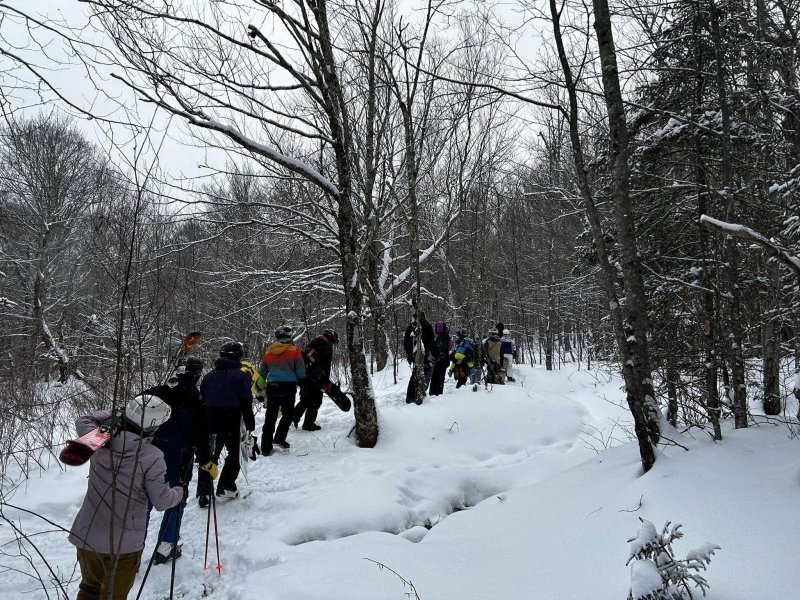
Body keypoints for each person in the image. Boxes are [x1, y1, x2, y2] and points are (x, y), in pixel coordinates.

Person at [68, 395, 185, 600]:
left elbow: (84, 418)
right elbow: (162, 501)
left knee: (89, 590)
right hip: (124, 545)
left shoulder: (96, 440)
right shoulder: (151, 456)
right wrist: (180, 491)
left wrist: (117, 414)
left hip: (87, 536)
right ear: (151, 427)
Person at [143, 356, 212, 564]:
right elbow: (201, 437)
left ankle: (134, 549)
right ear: (196, 374)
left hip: (147, 457)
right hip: (178, 460)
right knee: (176, 499)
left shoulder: (155, 392)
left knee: (142, 501)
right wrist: (206, 460)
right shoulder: (196, 400)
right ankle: (166, 546)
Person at [197, 341, 255, 501]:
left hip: (210, 418)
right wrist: (250, 424)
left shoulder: (209, 376)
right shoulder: (241, 375)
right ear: (238, 356)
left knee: (210, 454)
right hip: (232, 418)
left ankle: (204, 492)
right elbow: (246, 401)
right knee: (235, 453)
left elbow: (202, 400)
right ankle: (226, 486)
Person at [259, 325, 306, 455]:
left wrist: (260, 388)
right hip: (288, 387)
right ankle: (279, 438)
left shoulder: (269, 351)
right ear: (289, 336)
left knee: (270, 416)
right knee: (288, 414)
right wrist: (302, 382)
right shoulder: (295, 350)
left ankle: (265, 446)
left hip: (272, 386)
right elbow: (301, 371)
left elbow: (262, 372)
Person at [294, 329, 339, 431]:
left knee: (305, 399)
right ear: (330, 338)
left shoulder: (313, 342)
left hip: (304, 376)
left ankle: (294, 416)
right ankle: (308, 424)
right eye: (333, 341)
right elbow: (326, 366)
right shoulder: (326, 346)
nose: (332, 344)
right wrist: (325, 382)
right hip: (316, 377)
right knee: (316, 401)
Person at [404, 311, 436, 404]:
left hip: (418, 357)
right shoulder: (421, 327)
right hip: (423, 357)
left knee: (416, 375)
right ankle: (416, 397)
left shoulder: (412, 327)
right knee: (422, 376)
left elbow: (406, 343)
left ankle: (411, 398)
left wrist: (410, 356)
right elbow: (431, 343)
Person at [428, 320, 451, 396]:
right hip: (441, 361)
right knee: (438, 378)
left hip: (441, 361)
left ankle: (435, 394)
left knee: (437, 378)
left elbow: (442, 349)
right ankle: (435, 393)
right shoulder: (443, 337)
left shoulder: (442, 337)